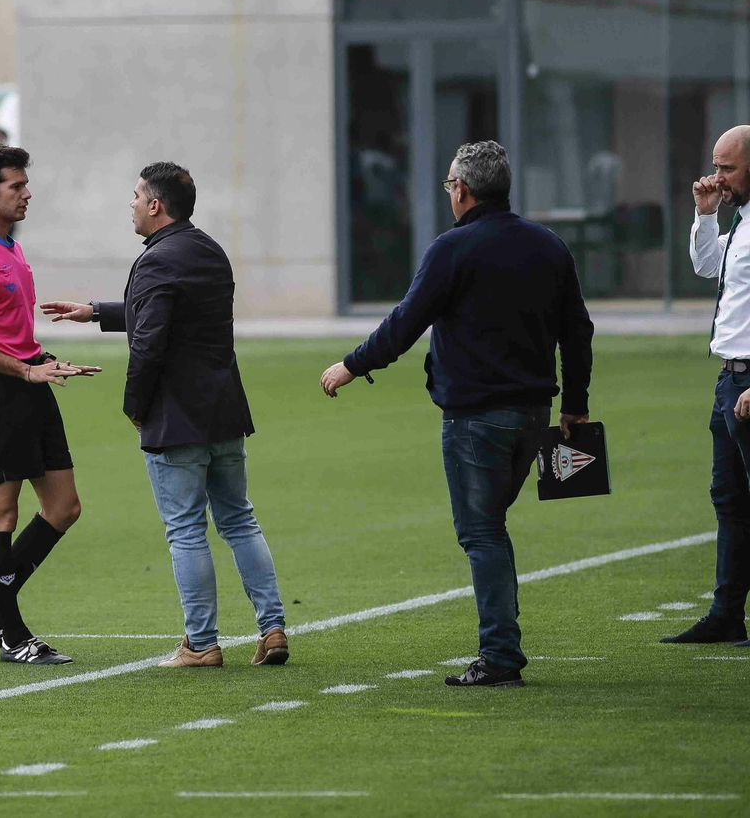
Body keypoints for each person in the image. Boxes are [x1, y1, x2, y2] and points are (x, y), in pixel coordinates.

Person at [320, 140, 593, 687]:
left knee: (483, 532)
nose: (449, 194)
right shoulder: (549, 245)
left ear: (461, 190)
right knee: (493, 526)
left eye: (449, 186)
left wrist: (352, 365)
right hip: (535, 414)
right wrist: (577, 407)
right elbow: (577, 332)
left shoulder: (452, 249)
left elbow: (405, 322)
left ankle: (500, 656)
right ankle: (501, 649)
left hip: (475, 417)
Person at [42, 162, 288, 670]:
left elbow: (151, 341)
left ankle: (201, 644)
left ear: (155, 205)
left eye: (135, 196)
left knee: (186, 531)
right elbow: (169, 312)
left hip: (177, 417)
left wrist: (135, 407)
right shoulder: (209, 250)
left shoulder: (155, 261)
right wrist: (97, 311)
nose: (130, 204)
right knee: (240, 520)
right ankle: (273, 627)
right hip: (223, 409)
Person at [0, 143, 101, 665]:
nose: (27, 193)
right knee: (1, 512)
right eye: (17, 186)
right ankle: (11, 632)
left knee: (64, 507)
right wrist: (25, 368)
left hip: (31, 379)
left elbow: (6, 329)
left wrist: (42, 360)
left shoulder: (7, 244)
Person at [674, 125, 750, 647]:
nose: (718, 177)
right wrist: (706, 214)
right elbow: (707, 265)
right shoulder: (741, 222)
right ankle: (726, 616)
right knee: (728, 500)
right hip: (730, 379)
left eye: (727, 168)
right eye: (716, 166)